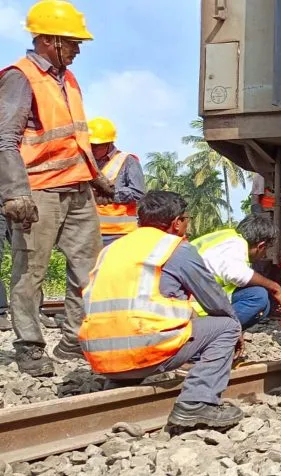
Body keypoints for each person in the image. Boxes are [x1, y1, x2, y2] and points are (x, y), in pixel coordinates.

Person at [0, 0, 116, 375]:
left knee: (90, 270)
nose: (78, 49)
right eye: (73, 42)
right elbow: (5, 140)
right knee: (30, 271)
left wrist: (95, 177)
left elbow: (73, 138)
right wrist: (15, 193)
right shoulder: (21, 76)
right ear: (50, 40)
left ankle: (72, 341)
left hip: (76, 188)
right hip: (39, 192)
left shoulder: (66, 78)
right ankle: (29, 346)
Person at [79, 191, 243, 428]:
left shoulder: (112, 249)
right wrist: (237, 330)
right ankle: (197, 402)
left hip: (100, 357)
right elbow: (215, 301)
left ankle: (120, 383)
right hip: (143, 351)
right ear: (177, 223)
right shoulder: (175, 248)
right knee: (227, 326)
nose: (187, 226)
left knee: (162, 320)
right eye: (187, 219)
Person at [191, 215, 281, 330]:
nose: (264, 255)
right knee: (258, 296)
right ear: (261, 246)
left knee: (263, 304)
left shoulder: (227, 238)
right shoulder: (236, 245)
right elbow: (238, 274)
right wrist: (274, 287)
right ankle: (216, 333)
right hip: (193, 303)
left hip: (200, 294)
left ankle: (227, 332)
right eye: (265, 250)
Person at [88, 117, 144, 247]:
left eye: (97, 146)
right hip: (90, 231)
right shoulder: (86, 162)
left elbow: (138, 193)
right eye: (90, 145)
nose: (93, 149)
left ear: (109, 143)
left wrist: (111, 193)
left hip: (120, 233)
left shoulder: (128, 161)